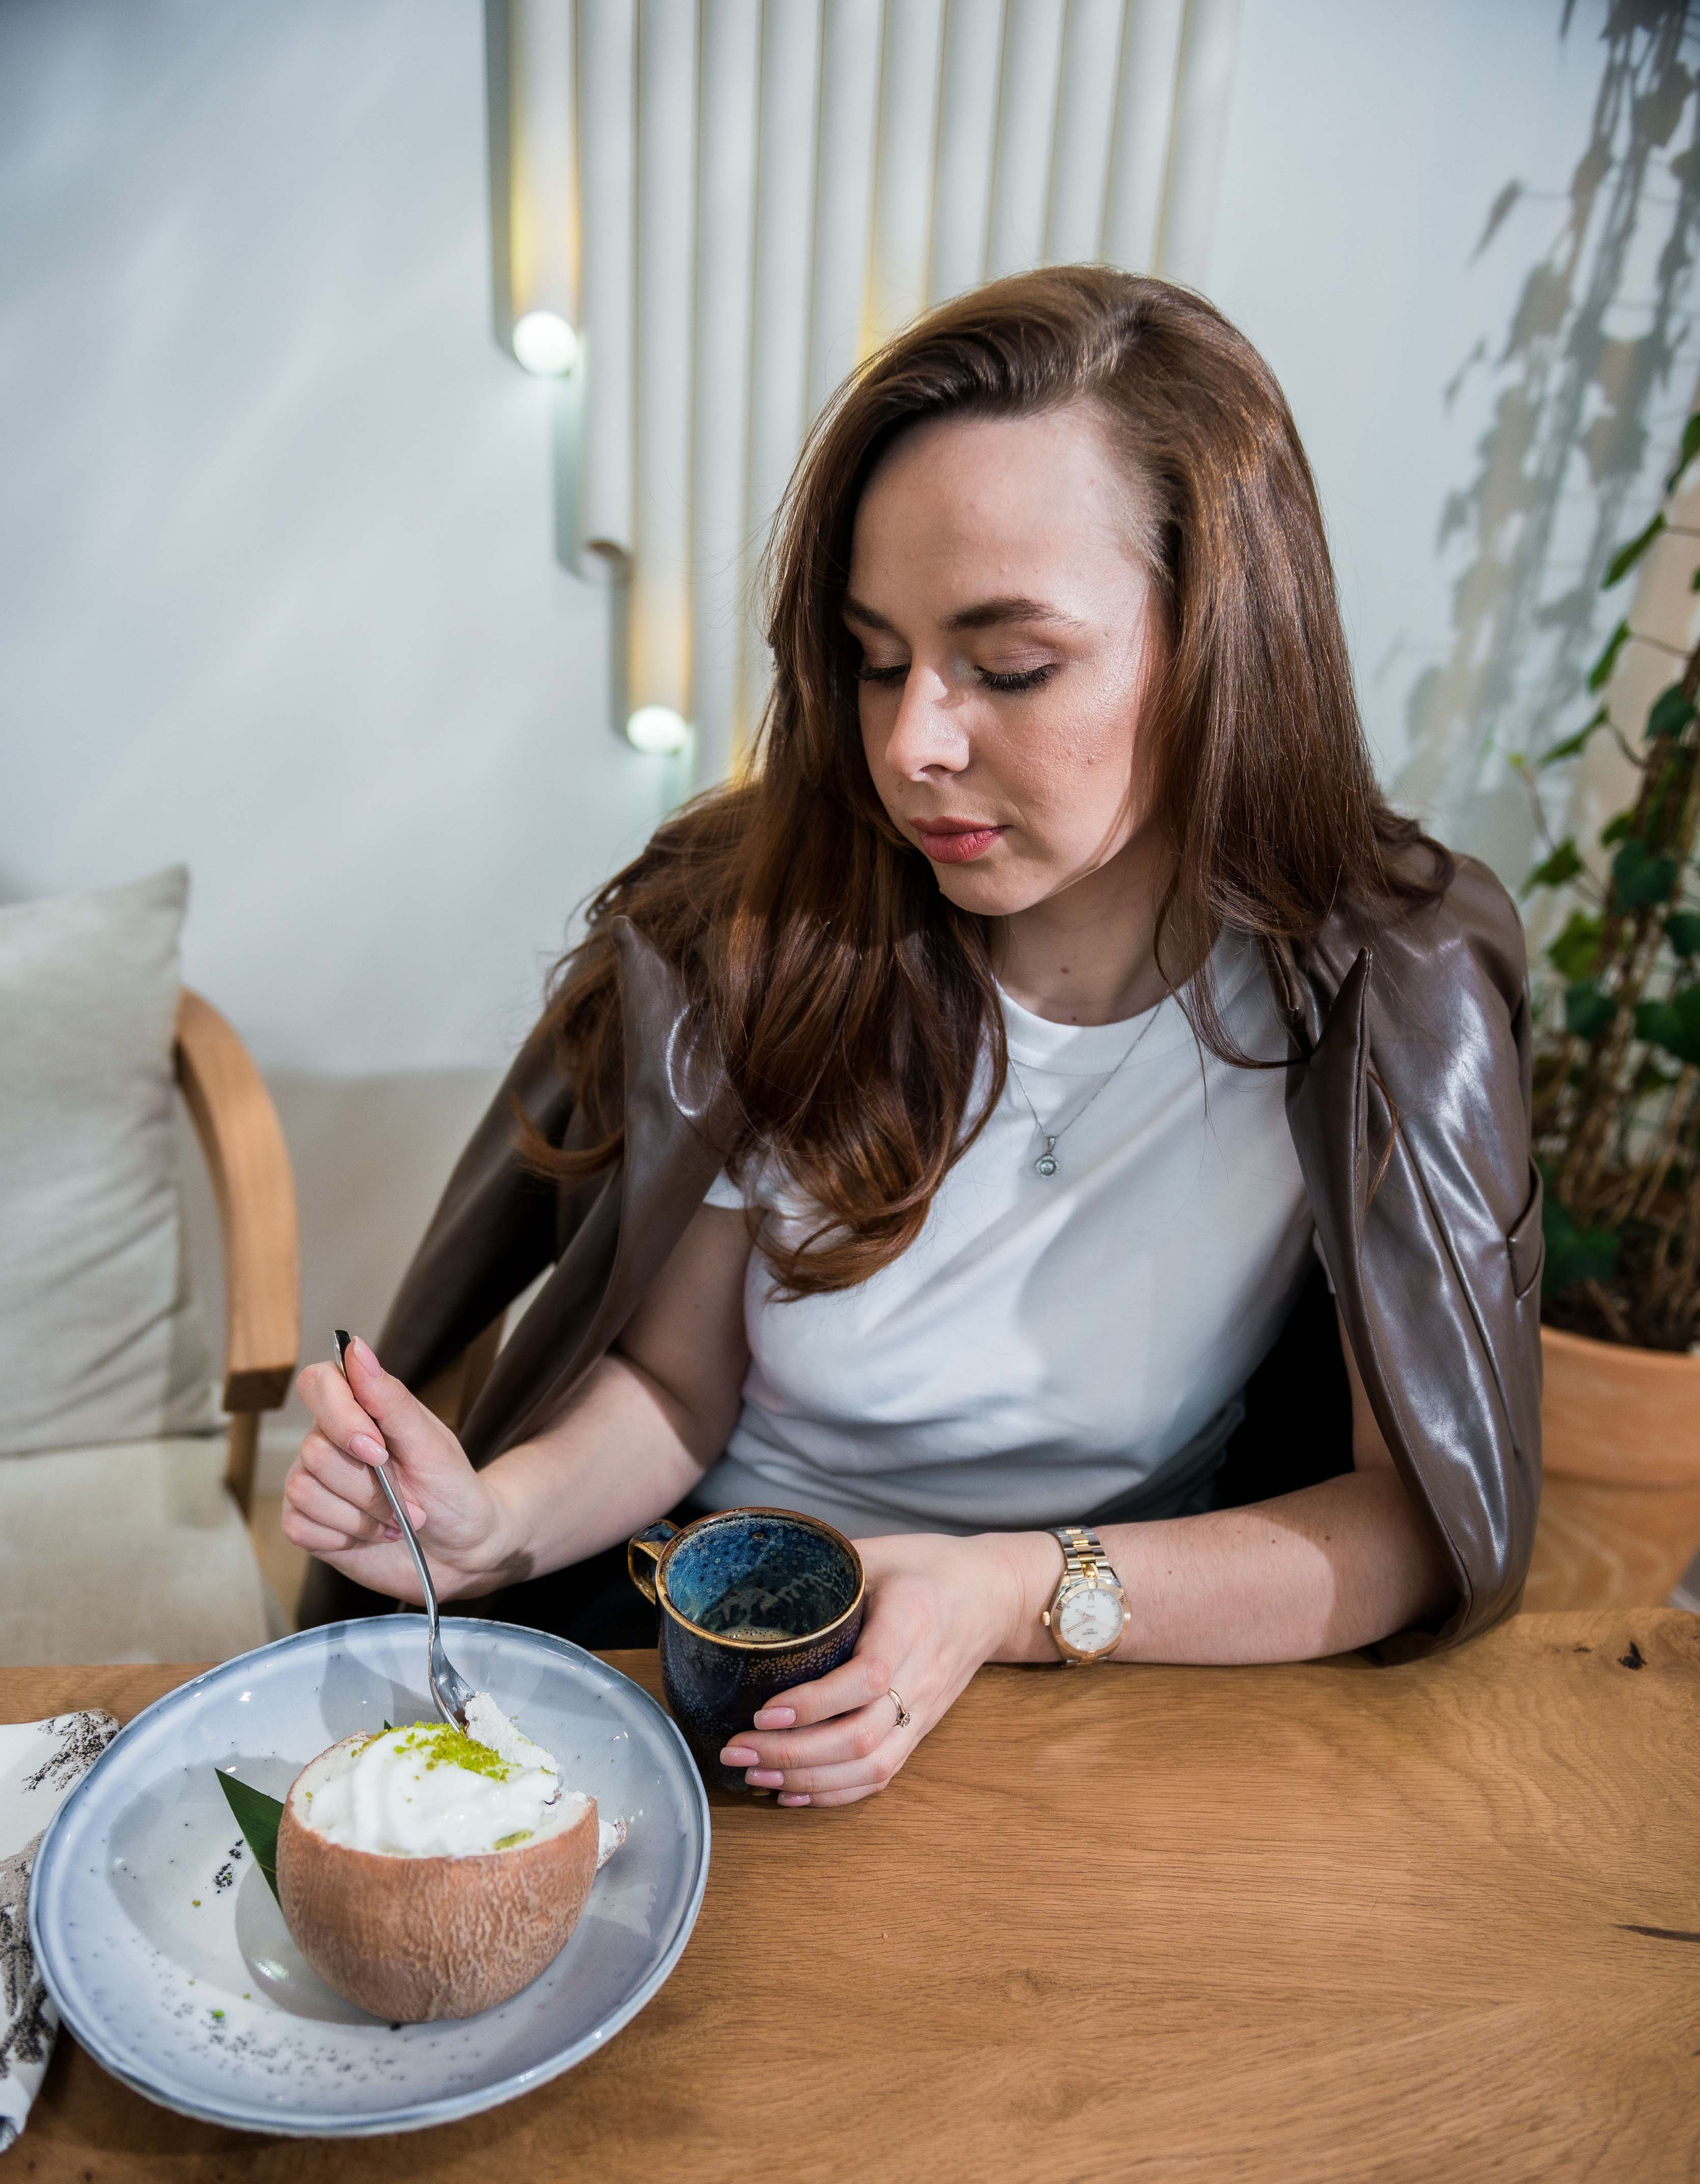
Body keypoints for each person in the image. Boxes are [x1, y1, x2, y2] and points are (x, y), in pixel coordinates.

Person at [287, 268, 1542, 1809]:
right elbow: (679, 1395)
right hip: (718, 1623)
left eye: (1009, 668)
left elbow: (1408, 1528)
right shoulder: (771, 925)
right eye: (878, 658)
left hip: (1131, 1653)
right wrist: (492, 1519)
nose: (910, 746)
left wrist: (1008, 1592)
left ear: (1223, 642)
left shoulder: (1367, 991)